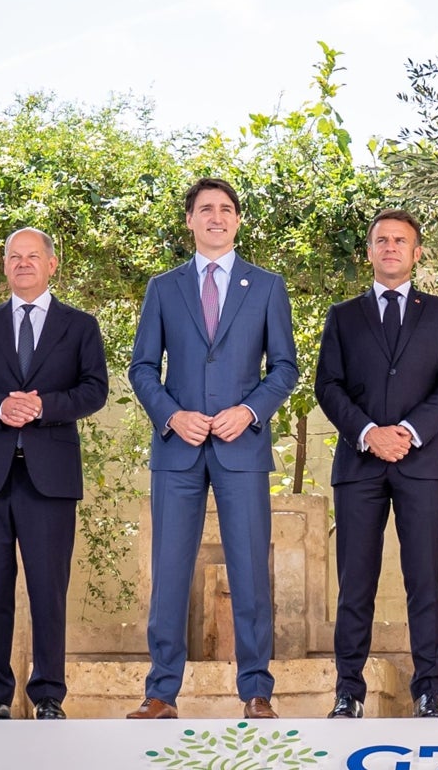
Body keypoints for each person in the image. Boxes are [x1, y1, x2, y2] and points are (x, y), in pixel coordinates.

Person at [126, 177, 299, 720]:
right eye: (206, 209)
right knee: (170, 571)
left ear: (238, 220)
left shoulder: (267, 286)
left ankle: (256, 691)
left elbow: (286, 368)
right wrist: (172, 415)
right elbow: (142, 367)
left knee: (250, 571)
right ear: (190, 221)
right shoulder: (163, 287)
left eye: (226, 209)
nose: (216, 216)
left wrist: (247, 411)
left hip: (240, 448)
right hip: (177, 448)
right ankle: (160, 693)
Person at [0, 227, 109, 721]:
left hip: (51, 477)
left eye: (32, 256)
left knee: (47, 590)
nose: (22, 264)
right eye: (13, 257)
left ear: (51, 264)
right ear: (5, 266)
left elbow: (94, 390)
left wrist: (41, 407)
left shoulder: (79, 326)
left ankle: (48, 696)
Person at [315, 209, 438, 719]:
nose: (390, 247)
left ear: (416, 252)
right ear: (369, 251)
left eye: (400, 240)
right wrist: (367, 433)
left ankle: (429, 693)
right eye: (381, 240)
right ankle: (348, 692)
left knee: (424, 580)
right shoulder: (343, 316)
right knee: (355, 582)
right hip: (359, 465)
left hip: (422, 464)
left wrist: (406, 432)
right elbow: (328, 386)